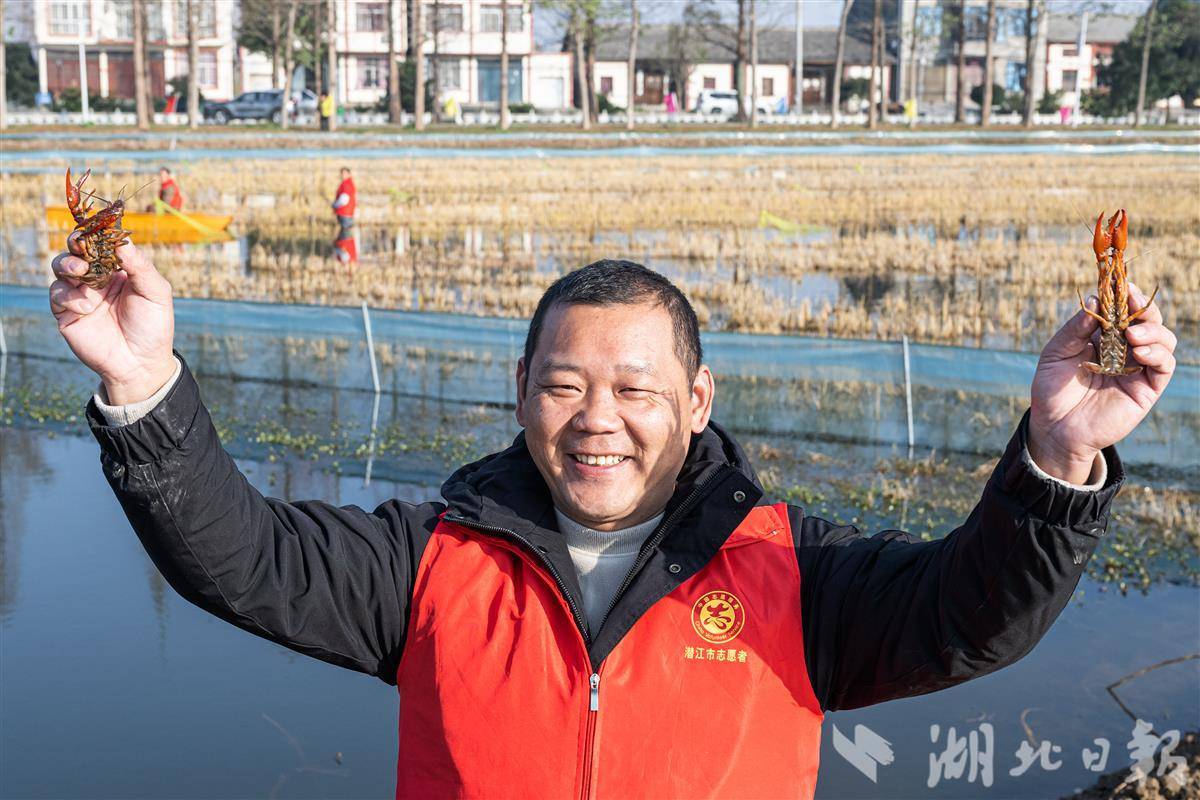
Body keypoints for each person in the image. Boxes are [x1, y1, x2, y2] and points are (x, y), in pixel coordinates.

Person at [47, 248, 1177, 797]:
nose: (598, 419)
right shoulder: (431, 559)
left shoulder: (795, 573)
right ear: (521, 393)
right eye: (564, 384)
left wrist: (1058, 456)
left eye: (636, 389)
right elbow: (244, 559)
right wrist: (142, 385)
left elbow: (971, 615)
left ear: (696, 400)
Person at [331, 166, 356, 239]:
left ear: (349, 174)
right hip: (346, 213)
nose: (342, 175)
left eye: (344, 173)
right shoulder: (347, 183)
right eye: (342, 173)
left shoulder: (347, 184)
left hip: (345, 213)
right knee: (345, 233)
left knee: (345, 235)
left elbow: (344, 199)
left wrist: (334, 205)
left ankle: (344, 245)